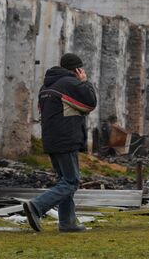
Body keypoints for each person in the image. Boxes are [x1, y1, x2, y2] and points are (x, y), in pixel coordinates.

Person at [23, 53, 97, 232]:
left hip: (51, 139)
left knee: (64, 180)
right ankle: (37, 206)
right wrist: (85, 81)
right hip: (66, 139)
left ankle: (67, 223)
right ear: (76, 69)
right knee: (71, 182)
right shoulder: (69, 83)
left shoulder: (46, 86)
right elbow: (90, 103)